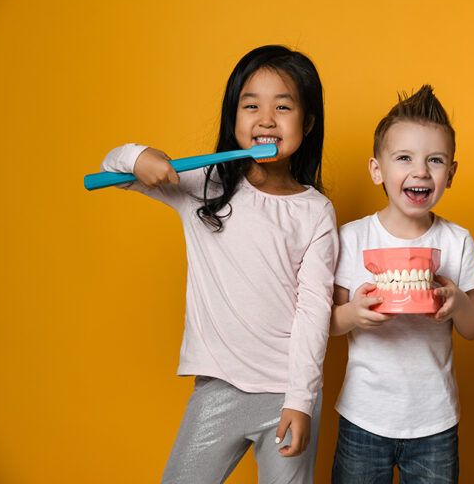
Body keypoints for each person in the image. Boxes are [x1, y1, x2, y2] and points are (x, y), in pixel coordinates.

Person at [98, 45, 338, 483]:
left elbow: (314, 312)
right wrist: (140, 156)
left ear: (307, 122)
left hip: (288, 393)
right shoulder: (201, 187)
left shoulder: (316, 212)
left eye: (283, 106)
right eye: (251, 106)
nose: (266, 119)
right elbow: (110, 166)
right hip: (218, 389)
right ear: (234, 118)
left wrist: (300, 401)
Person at [330, 85, 474, 483]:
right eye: (404, 158)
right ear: (377, 169)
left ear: (451, 173)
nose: (420, 171)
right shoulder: (351, 239)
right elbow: (327, 322)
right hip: (363, 417)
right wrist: (353, 314)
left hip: (434, 422)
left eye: (435, 160)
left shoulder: (457, 241)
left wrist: (457, 303)